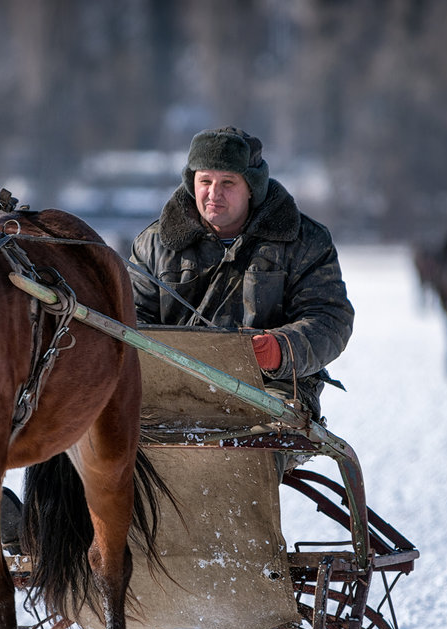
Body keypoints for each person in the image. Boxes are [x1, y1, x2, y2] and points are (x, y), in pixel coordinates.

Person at [130, 126, 354, 422]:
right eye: (205, 180)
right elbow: (130, 318)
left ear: (252, 187)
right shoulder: (155, 244)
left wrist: (279, 350)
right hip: (171, 387)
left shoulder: (304, 240)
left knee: (261, 434)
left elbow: (330, 318)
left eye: (228, 182)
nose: (214, 193)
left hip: (273, 386)